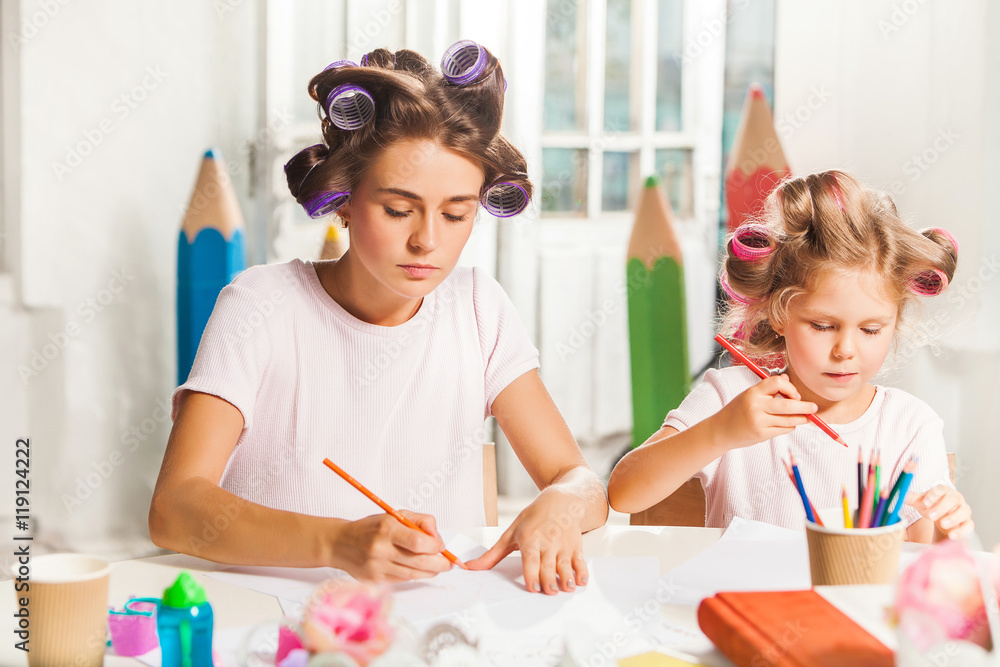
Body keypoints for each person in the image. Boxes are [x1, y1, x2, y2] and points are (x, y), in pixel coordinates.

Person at [149, 42, 608, 594]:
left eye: (456, 213)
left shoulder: (478, 308)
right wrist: (338, 543)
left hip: (437, 620)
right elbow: (175, 509)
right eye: (398, 210)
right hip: (285, 620)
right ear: (343, 199)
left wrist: (561, 501)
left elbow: (583, 483)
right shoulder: (261, 304)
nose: (427, 241)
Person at [608, 170, 971, 542]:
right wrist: (720, 432)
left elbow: (919, 553)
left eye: (871, 330)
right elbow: (624, 492)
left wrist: (946, 524)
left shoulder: (910, 425)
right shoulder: (731, 397)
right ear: (780, 316)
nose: (845, 350)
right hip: (744, 599)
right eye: (823, 326)